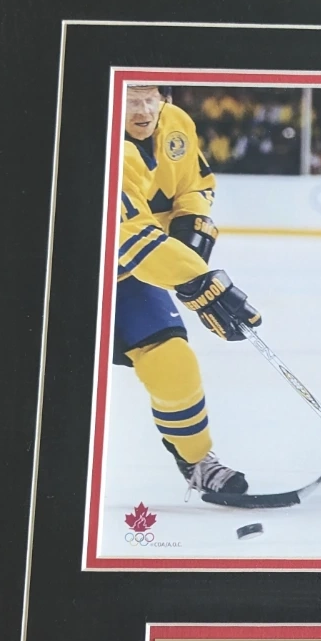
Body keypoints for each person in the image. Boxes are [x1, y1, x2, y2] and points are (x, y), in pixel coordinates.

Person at [116, 83, 261, 502]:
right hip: (61, 276)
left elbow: (196, 184)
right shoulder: (104, 146)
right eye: (131, 99)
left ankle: (196, 459)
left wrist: (189, 227)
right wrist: (199, 280)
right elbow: (127, 235)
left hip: (129, 276)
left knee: (173, 364)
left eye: (151, 98)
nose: (143, 110)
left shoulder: (176, 124)